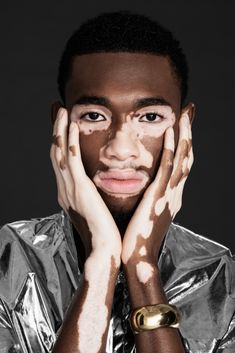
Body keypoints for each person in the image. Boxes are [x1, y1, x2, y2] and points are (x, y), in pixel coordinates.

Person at [0, 11, 234, 353]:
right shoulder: (8, 260)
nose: (121, 150)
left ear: (185, 126)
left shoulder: (221, 277)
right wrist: (102, 261)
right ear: (60, 125)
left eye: (150, 117)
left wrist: (142, 266)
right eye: (94, 116)